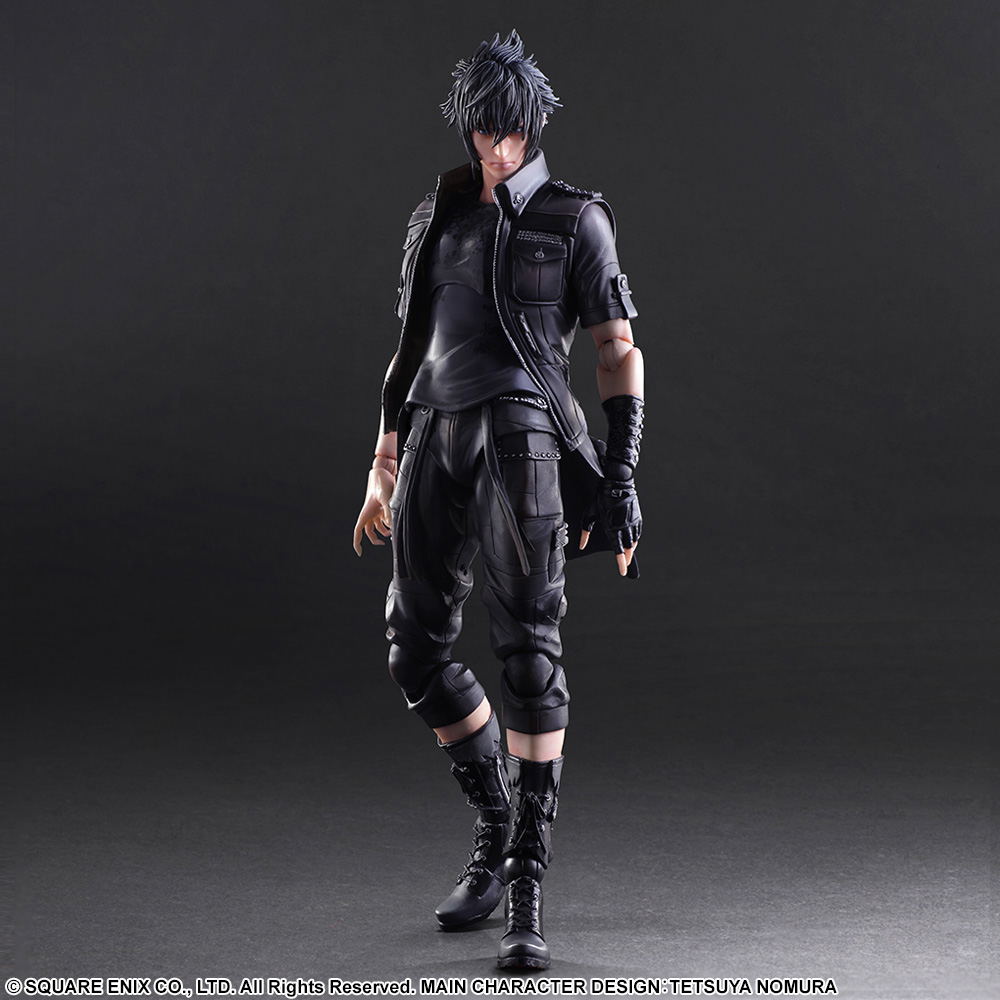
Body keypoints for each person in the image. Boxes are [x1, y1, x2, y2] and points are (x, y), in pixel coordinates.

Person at [352, 29, 644, 971]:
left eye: (516, 130)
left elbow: (617, 350)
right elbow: (409, 348)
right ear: (469, 126)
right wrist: (382, 462)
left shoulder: (576, 218)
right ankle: (496, 823)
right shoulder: (434, 216)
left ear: (535, 126)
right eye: (488, 130)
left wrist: (622, 474)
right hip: (434, 435)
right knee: (413, 648)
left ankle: (525, 884)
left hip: (522, 441)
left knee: (527, 651)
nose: (502, 147)